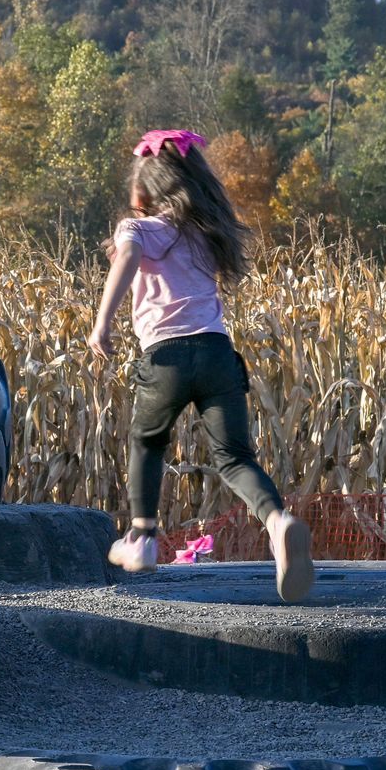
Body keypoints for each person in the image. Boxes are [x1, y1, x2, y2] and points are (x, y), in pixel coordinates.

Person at [88, 130, 315, 603]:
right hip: (216, 353)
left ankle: (142, 539)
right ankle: (278, 522)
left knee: (147, 442)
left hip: (167, 356)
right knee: (233, 457)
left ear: (148, 189)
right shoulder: (208, 232)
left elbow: (129, 255)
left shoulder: (137, 229)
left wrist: (102, 322)